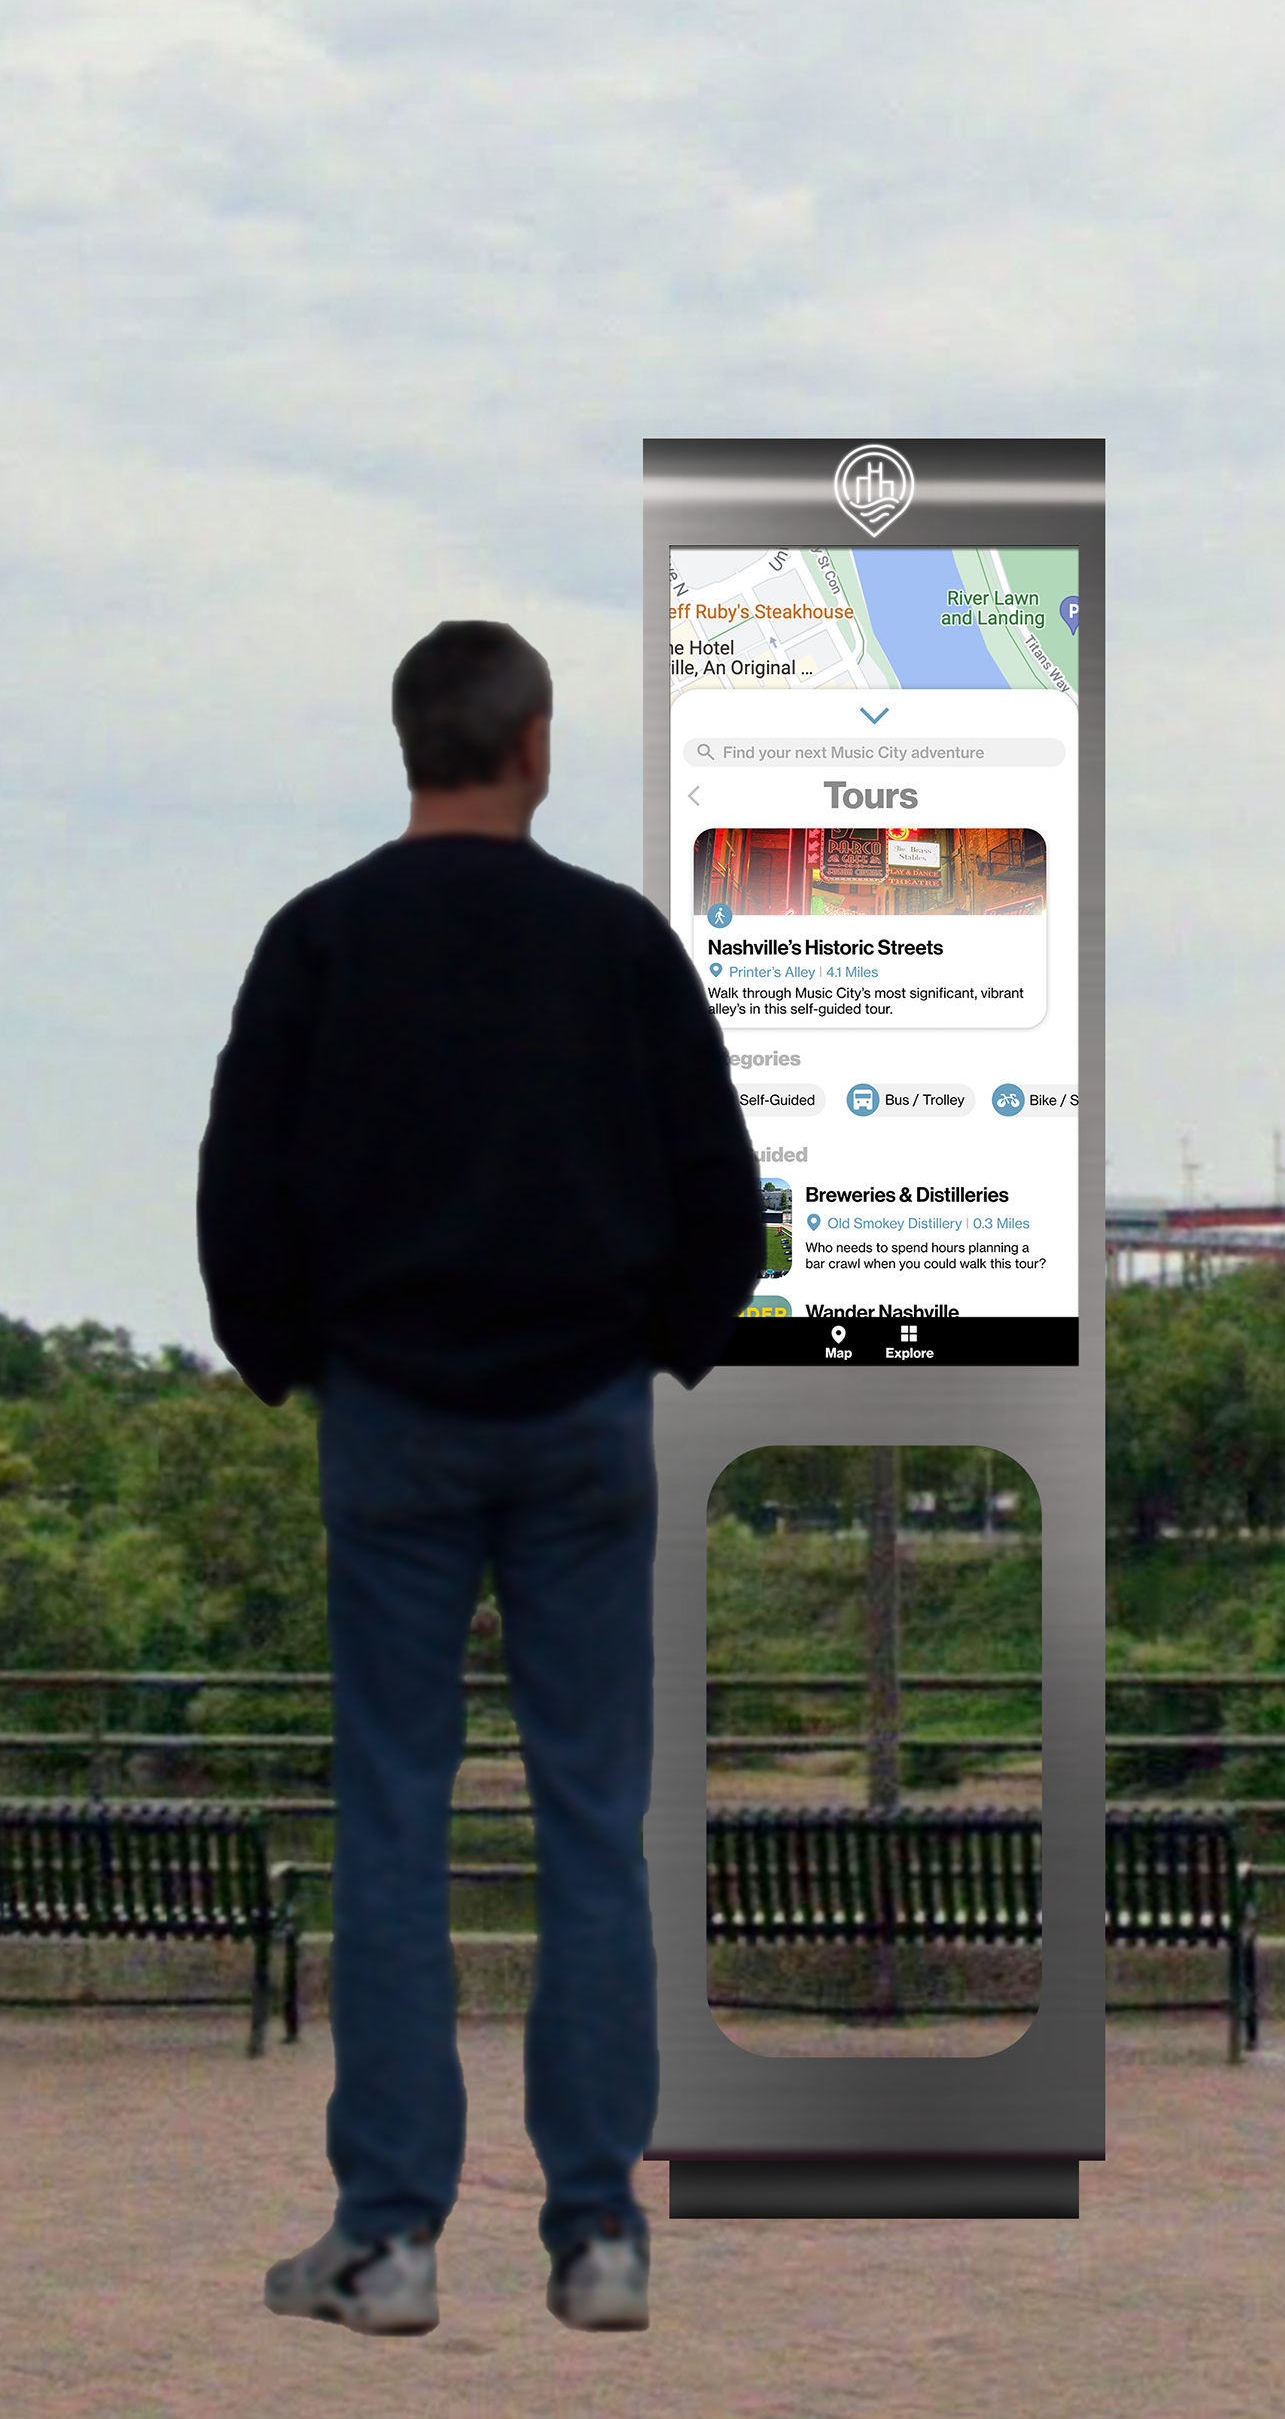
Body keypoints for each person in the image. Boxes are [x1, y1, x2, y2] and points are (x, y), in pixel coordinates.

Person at [197, 620, 764, 2337]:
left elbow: (241, 1195)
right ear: (532, 745)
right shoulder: (620, 947)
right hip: (584, 1420)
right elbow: (725, 1204)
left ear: (410, 744)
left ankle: (388, 2241)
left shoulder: (318, 940)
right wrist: (647, 1343)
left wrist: (301, 1357)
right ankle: (597, 2237)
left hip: (393, 1423)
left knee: (394, 1818)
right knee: (594, 1822)